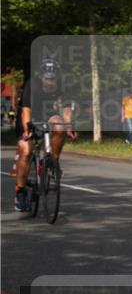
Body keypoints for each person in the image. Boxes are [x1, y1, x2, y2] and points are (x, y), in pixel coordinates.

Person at [13, 59, 77, 211]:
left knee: (60, 125)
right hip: (29, 119)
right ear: (41, 76)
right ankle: (20, 192)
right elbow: (26, 111)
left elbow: (67, 110)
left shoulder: (63, 85)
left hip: (48, 116)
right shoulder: (32, 84)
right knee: (26, 151)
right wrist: (27, 131)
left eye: (53, 79)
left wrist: (69, 127)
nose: (49, 81)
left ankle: (53, 161)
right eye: (47, 78)